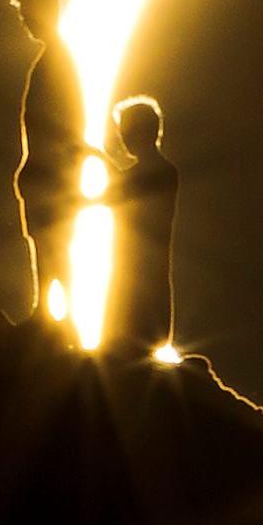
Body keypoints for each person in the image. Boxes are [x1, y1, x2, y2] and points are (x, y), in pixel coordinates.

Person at [8, 0, 86, 324]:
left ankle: (58, 316)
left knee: (54, 242)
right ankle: (47, 311)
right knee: (45, 241)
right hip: (46, 168)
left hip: (52, 172)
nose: (25, 22)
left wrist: (60, 164)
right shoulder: (55, 59)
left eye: (27, 14)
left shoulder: (57, 61)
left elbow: (66, 121)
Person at [105, 96, 179, 356]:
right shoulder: (163, 171)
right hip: (142, 287)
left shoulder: (159, 173)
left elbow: (116, 193)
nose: (122, 138)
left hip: (138, 292)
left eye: (125, 131)